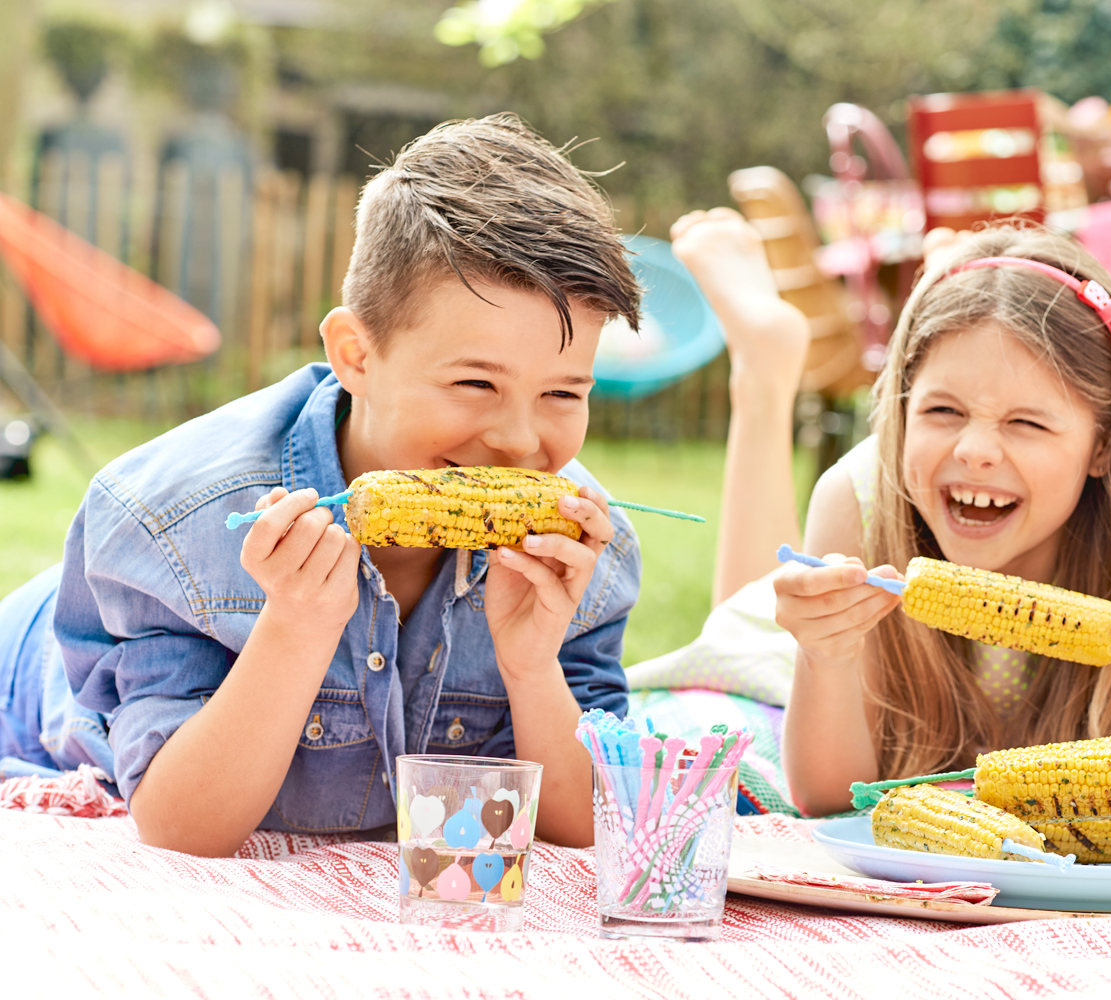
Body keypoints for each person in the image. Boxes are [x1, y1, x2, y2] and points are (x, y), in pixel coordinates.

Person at [0, 114, 642, 854]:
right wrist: (295, 629)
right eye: (476, 383)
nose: (522, 442)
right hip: (35, 674)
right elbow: (179, 827)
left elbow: (590, 826)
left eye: (563, 394)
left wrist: (531, 668)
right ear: (356, 355)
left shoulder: (589, 553)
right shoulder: (176, 522)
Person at [670, 210, 1111, 818]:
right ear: (901, 410)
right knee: (747, 628)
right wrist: (825, 655)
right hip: (802, 647)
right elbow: (825, 799)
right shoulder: (858, 496)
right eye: (942, 411)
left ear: (1104, 445)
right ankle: (763, 369)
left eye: (1026, 423)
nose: (975, 450)